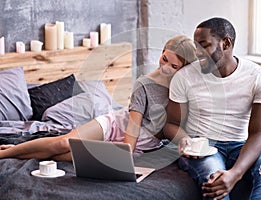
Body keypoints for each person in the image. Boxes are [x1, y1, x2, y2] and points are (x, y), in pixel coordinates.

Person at [0, 35, 197, 161]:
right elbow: (132, 129)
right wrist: (121, 149)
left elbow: (175, 126)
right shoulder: (144, 84)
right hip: (118, 128)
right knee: (62, 143)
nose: (165, 67)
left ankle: (21, 153)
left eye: (174, 66)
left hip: (142, 147)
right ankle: (7, 152)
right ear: (162, 53)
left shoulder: (180, 92)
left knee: (65, 156)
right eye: (164, 59)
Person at [163, 17, 261, 200]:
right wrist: (185, 141)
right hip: (202, 144)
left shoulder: (259, 77)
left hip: (240, 145)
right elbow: (171, 123)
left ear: (226, 43)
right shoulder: (184, 77)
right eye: (196, 47)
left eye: (204, 45)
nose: (198, 53)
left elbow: (259, 132)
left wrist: (236, 173)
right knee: (214, 179)